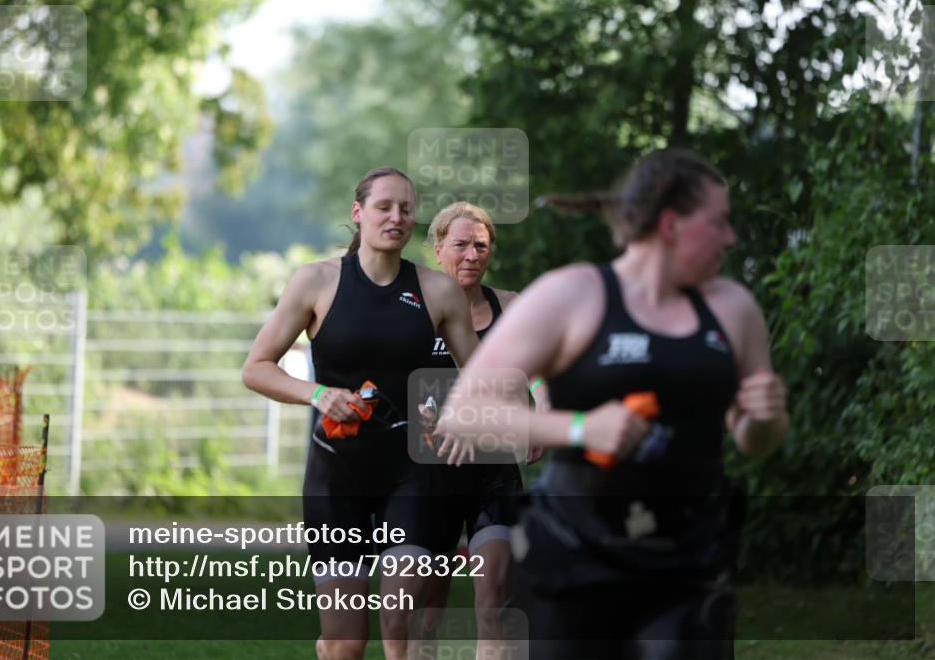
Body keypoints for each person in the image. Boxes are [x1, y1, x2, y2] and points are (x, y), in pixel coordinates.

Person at [437, 149, 789, 659]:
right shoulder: (572, 294)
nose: (730, 237)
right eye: (719, 223)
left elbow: (755, 439)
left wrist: (766, 417)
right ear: (671, 224)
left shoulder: (733, 309)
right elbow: (463, 414)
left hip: (689, 561)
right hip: (575, 556)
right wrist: (580, 428)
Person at [242, 167, 479, 660]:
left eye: (406, 209)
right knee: (346, 644)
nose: (396, 217)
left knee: (401, 618)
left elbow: (479, 377)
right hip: (337, 477)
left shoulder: (438, 291)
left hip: (411, 472)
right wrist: (316, 394)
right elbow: (257, 369)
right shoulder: (316, 282)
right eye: (384, 207)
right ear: (358, 213)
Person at [416, 202, 546, 656]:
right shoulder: (413, 306)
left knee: (494, 601)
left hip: (493, 468)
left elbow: (537, 369)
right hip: (429, 472)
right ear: (438, 249)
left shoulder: (508, 306)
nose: (472, 254)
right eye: (461, 244)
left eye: (482, 245)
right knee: (427, 611)